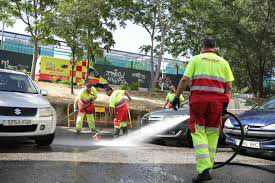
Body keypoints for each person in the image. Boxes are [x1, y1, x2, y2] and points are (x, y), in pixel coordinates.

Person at [172, 37, 234, 182]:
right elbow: (229, 87)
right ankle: (208, 167)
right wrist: (225, 104)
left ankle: (204, 170)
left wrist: (176, 97)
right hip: (217, 103)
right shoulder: (224, 62)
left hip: (199, 101)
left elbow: (184, 80)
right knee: (212, 133)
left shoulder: (196, 59)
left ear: (202, 46)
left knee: (198, 132)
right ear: (214, 47)